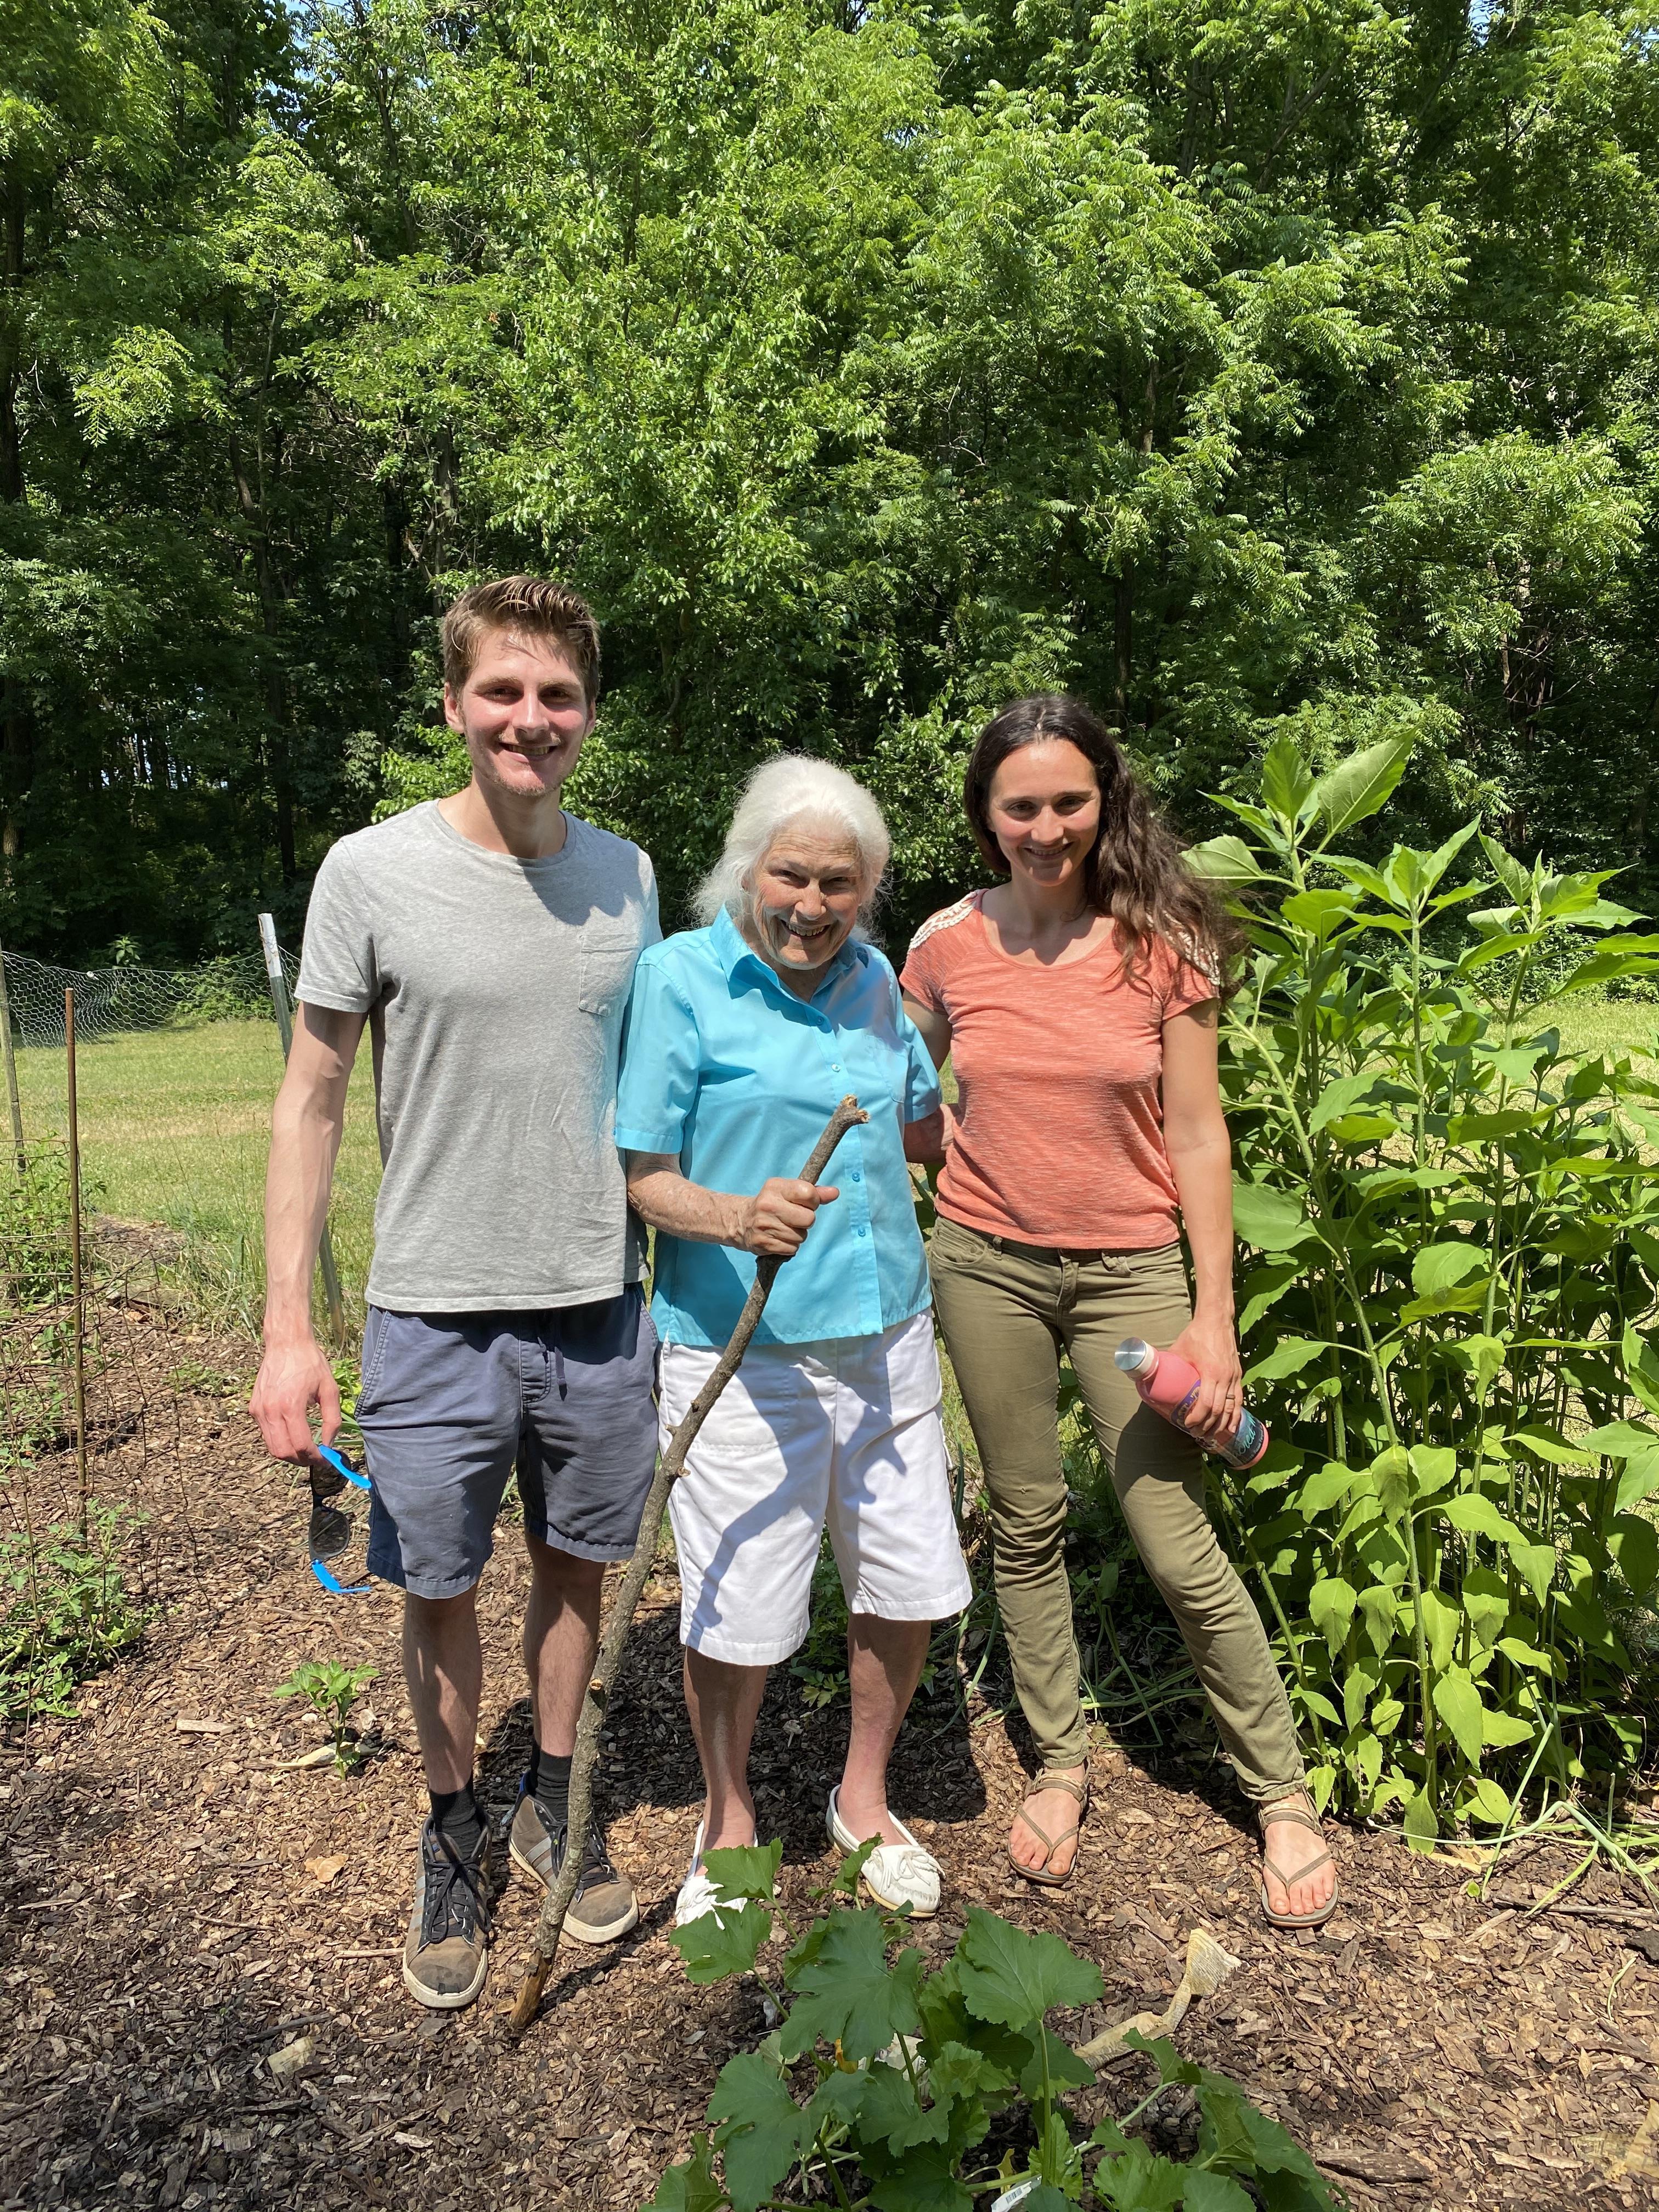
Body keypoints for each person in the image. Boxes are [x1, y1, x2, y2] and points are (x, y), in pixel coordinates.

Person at [249, 576, 661, 2010]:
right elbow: (310, 1097)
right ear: (453, 704)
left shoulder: (630, 876)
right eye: (502, 691)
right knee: (436, 1585)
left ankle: (550, 1795)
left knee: (576, 1569)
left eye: (558, 696)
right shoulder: (370, 872)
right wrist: (289, 1327)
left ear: (588, 716)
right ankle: (449, 1827)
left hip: (599, 1302)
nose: (529, 719)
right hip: (432, 1311)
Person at [900, 694, 1336, 1929]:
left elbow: (1198, 1134)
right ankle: (1059, 1762)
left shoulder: (1164, 941)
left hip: (1133, 1276)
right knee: (1025, 1520)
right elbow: (890, 1080)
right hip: (985, 1266)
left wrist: (1216, 1317)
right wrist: (932, 1141)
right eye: (1020, 807)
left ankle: (1280, 1793)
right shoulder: (944, 944)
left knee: (1171, 1536)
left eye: (1068, 802)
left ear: (1105, 801)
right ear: (986, 816)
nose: (1045, 828)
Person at [615, 756, 973, 1923]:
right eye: (792, 877)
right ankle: (726, 1824)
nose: (813, 906)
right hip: (742, 1349)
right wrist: (737, 1216)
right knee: (739, 1604)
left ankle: (862, 1801)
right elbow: (644, 1173)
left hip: (888, 1335)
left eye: (840, 885)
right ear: (746, 869)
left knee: (906, 1580)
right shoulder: (679, 979)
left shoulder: (875, 983)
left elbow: (923, 1129)